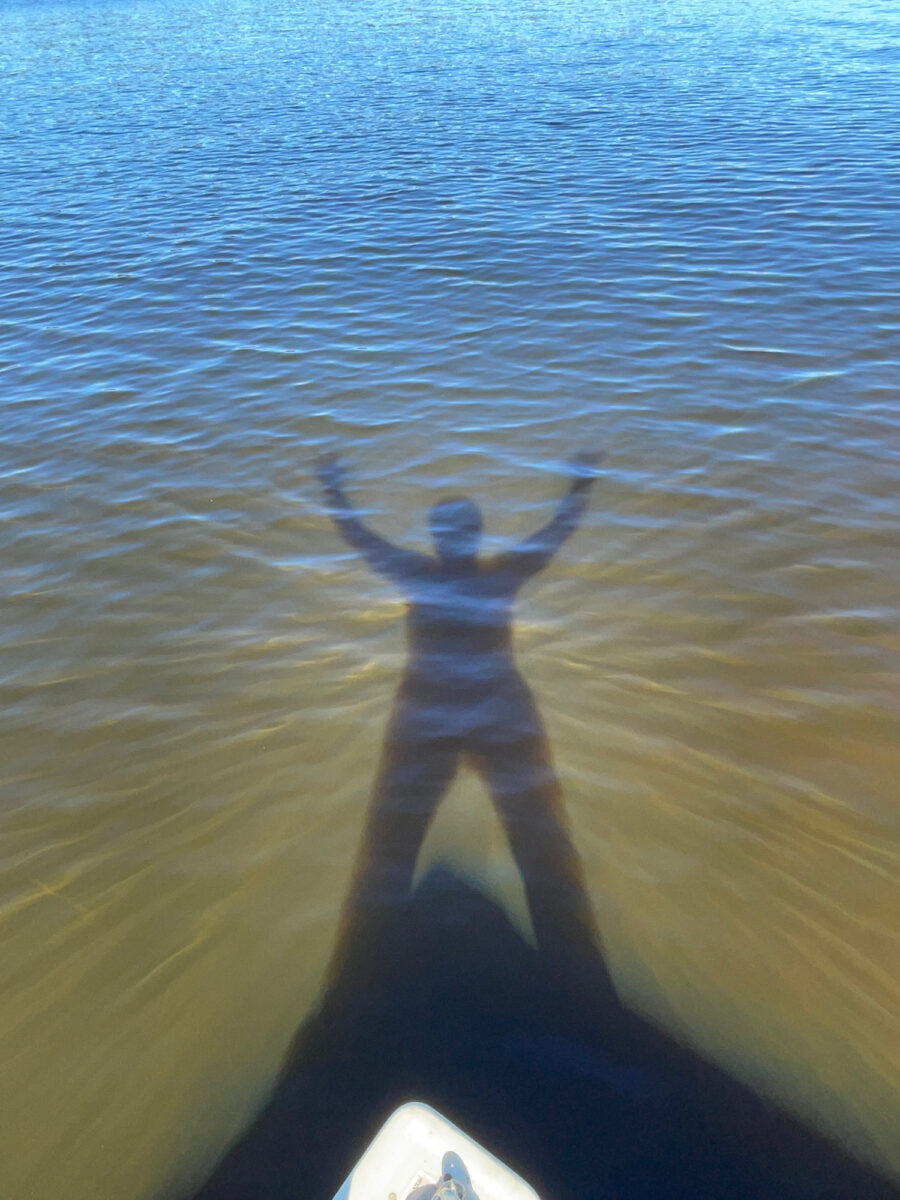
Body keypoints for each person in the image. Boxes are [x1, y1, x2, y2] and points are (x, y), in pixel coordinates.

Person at [317, 450, 606, 981]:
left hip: (426, 720)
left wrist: (333, 491)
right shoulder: (498, 577)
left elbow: (359, 538)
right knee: (542, 848)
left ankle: (362, 975)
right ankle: (581, 977)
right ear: (475, 537)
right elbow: (553, 534)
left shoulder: (416, 573)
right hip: (501, 717)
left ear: (437, 538)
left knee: (390, 850)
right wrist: (581, 485)